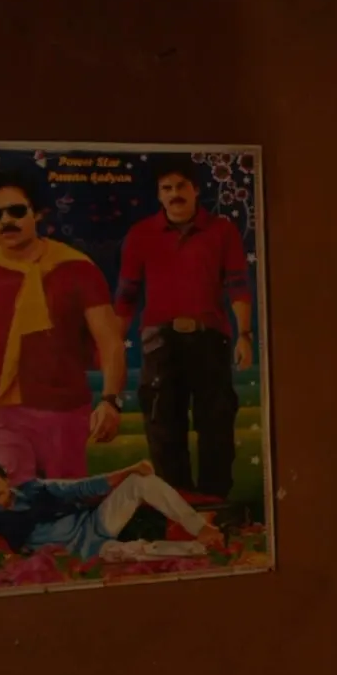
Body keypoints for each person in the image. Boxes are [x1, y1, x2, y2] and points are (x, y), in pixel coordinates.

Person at [0, 170, 129, 487]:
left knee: (63, 507)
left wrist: (110, 400)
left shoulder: (77, 268)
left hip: (65, 412)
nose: (6, 221)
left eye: (16, 211)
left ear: (37, 213)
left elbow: (110, 341)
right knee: (10, 507)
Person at [114, 158, 254, 499]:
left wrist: (245, 335)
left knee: (216, 421)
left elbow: (238, 284)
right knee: (162, 424)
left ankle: (214, 503)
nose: (174, 194)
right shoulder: (140, 234)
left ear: (195, 190)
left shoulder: (222, 231)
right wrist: (113, 343)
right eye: (167, 188)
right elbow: (127, 294)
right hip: (158, 343)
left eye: (181, 186)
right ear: (159, 195)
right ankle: (175, 506)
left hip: (211, 338)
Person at [0, 458, 222, 561]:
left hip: (95, 523)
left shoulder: (36, 487)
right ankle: (201, 550)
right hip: (82, 552)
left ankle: (201, 528)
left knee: (140, 481)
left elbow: (82, 487)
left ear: (5, 479)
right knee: (135, 552)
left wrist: (131, 469)